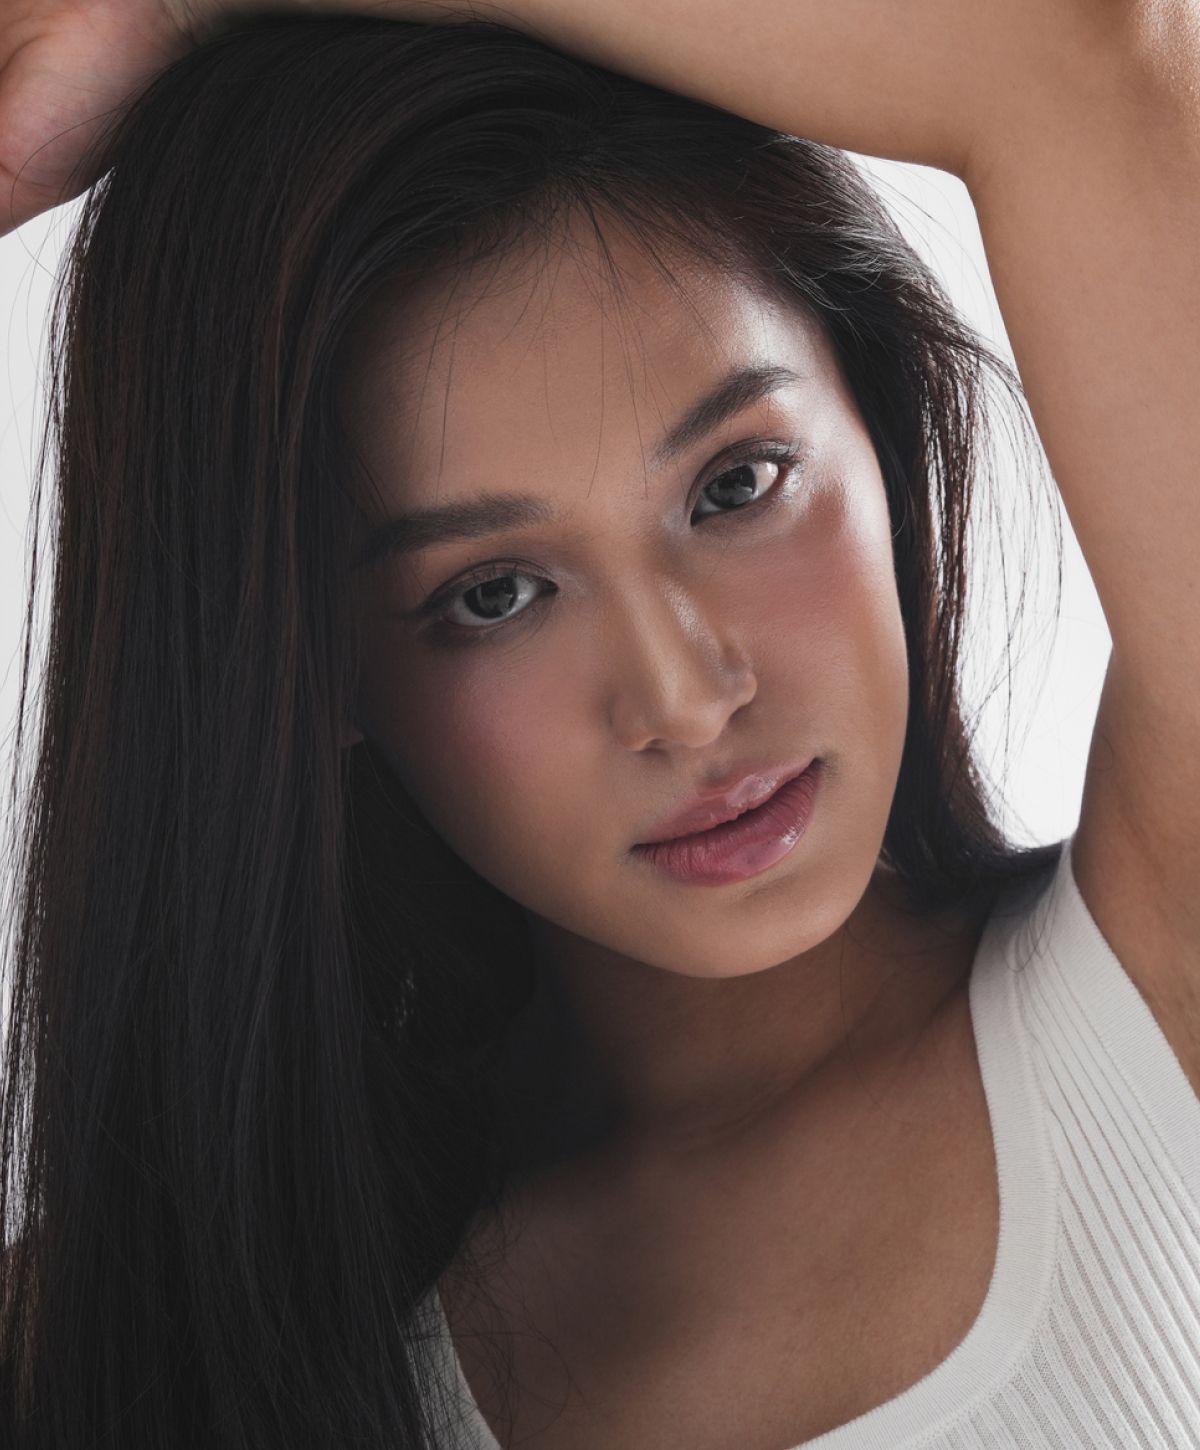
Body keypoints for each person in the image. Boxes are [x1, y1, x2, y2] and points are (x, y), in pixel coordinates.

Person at [1, 2, 1198, 1447]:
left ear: (878, 429)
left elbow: (1089, 60)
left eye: (738, 485)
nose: (688, 697)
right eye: (496, 593)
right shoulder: (139, 1351)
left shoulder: (1163, 992)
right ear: (318, 678)